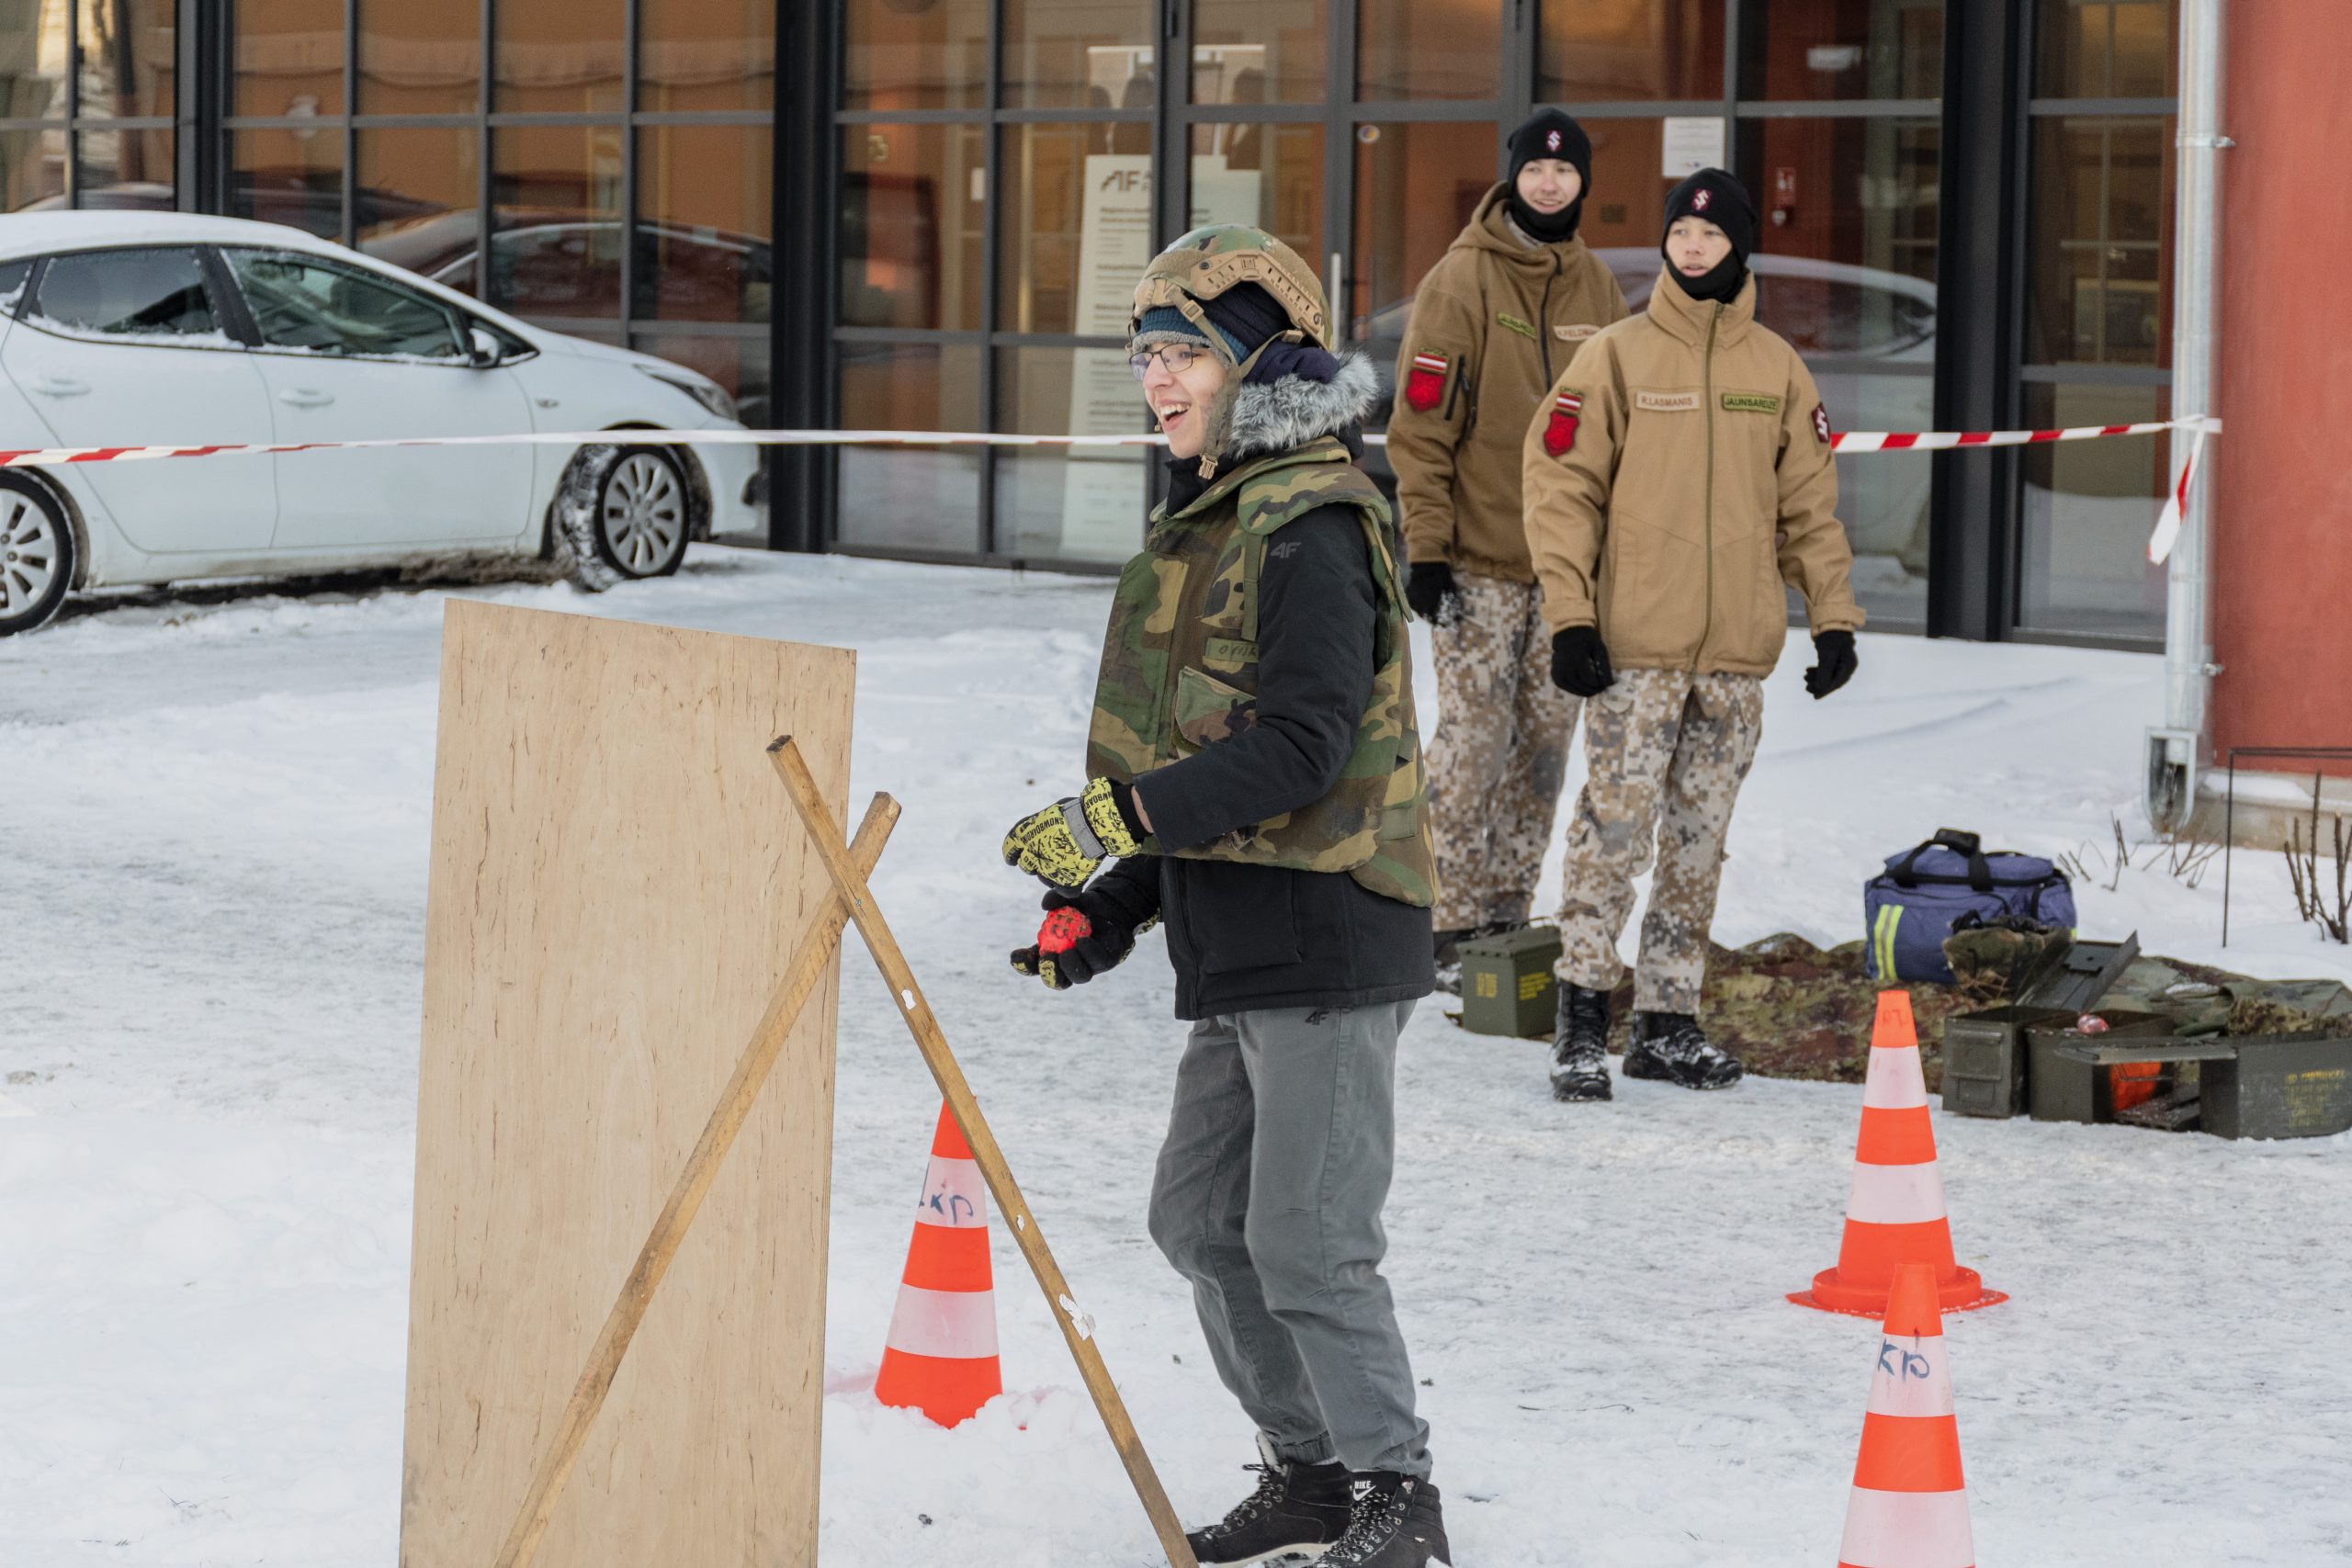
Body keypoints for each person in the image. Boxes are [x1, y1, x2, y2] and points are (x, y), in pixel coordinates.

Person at [998, 225, 1453, 1568]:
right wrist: (1113, 905)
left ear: (1258, 360)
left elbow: (1302, 748)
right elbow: (1204, 763)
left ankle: (1398, 1497)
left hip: (1331, 929)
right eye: (1143, 353)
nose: (1154, 378)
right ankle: (1311, 1471)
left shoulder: (1314, 521)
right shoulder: (1216, 512)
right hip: (1242, 937)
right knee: (1200, 1221)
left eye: (1182, 351)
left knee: (1308, 1239)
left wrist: (1114, 817)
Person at [1519, 168, 1864, 1103]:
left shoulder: (1776, 368)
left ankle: (1668, 1023)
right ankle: (1581, 1021)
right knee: (1613, 834)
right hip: (1633, 652)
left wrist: (1833, 617)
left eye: (1710, 234)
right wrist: (1572, 617)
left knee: (1700, 843)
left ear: (1738, 246)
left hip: (1732, 659)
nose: (1693, 246)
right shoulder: (1616, 356)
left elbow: (1809, 507)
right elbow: (1559, 491)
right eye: (1680, 232)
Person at [1386, 108, 1631, 991]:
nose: (1550, 184)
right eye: (1536, 170)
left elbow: (1619, 435)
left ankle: (1502, 918)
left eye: (1565, 172)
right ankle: (1440, 922)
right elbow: (1421, 428)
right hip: (1477, 563)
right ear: (1514, 176)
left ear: (1583, 183)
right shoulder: (1461, 281)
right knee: (1473, 745)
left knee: (1543, 750)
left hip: (1564, 574)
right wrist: (1427, 548)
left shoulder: (1599, 289)